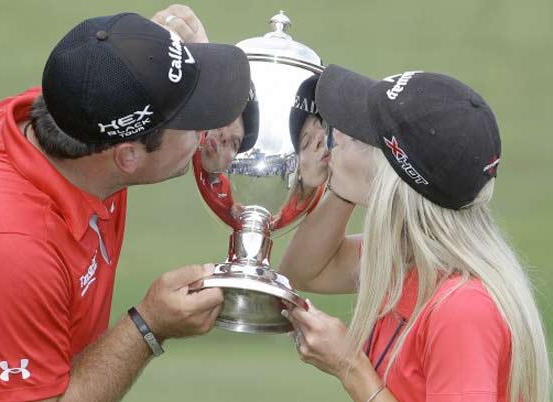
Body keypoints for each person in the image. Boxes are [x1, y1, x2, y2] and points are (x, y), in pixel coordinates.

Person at [0, 7, 251, 402]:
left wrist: (172, 68)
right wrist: (148, 326)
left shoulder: (69, 116)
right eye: (194, 120)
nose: (206, 129)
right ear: (128, 157)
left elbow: (120, 82)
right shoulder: (6, 250)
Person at [279, 66, 550, 402]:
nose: (336, 136)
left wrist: (350, 366)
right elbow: (304, 271)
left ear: (394, 179)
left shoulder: (463, 310)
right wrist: (343, 189)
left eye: (356, 135)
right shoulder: (409, 259)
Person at [192, 84, 259, 228]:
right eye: (225, 120)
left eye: (234, 143)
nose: (224, 135)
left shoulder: (225, 188)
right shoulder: (185, 144)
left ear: (232, 163)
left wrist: (234, 214)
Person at [272, 75, 330, 230]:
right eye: (306, 143)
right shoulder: (278, 218)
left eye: (320, 126)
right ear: (296, 169)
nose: (320, 139)